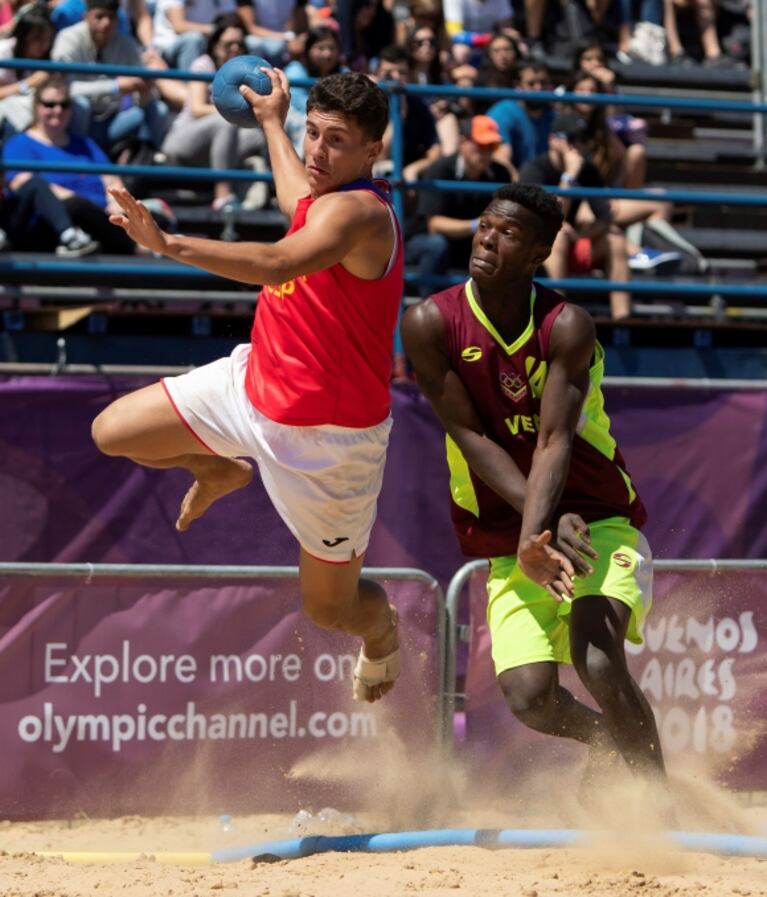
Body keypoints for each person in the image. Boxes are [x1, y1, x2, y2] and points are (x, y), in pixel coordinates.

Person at [91, 71, 404, 704]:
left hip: (330, 444)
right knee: (112, 431)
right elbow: (299, 200)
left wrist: (168, 242)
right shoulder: (325, 193)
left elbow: (277, 262)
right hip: (253, 381)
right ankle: (220, 470)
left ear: (373, 150)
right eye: (312, 132)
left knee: (331, 610)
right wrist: (271, 121)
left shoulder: (364, 213)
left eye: (336, 141)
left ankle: (384, 634)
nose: (316, 151)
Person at [401, 181, 668, 802]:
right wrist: (531, 534)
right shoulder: (429, 322)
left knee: (599, 661)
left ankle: (662, 809)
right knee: (531, 699)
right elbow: (470, 435)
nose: (489, 239)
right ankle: (610, 742)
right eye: (487, 226)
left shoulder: (566, 324)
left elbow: (555, 440)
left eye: (510, 233)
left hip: (597, 518)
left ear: (540, 252)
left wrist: (540, 531)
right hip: (513, 533)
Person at [518, 111, 632, 319]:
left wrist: (581, 236)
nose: (578, 145)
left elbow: (605, 218)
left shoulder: (587, 170)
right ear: (553, 140)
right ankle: (557, 320)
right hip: (537, 247)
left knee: (615, 239)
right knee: (557, 237)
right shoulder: (534, 169)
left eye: (582, 140)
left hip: (570, 243)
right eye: (571, 139)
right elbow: (546, 220)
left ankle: (622, 321)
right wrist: (569, 176)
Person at [3, 75, 135, 253]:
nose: (57, 110)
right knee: (76, 206)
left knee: (145, 213)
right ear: (36, 107)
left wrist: (115, 203)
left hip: (102, 216)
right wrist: (80, 202)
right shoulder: (20, 143)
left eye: (64, 105)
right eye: (49, 104)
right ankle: (136, 247)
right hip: (57, 218)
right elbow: (22, 184)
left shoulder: (84, 144)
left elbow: (110, 178)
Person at [160, 13, 268, 211]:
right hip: (183, 141)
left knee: (262, 133)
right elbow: (197, 109)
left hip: (219, 145)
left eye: (239, 44)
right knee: (225, 122)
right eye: (228, 44)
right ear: (215, 45)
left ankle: (269, 192)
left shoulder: (247, 73)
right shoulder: (203, 65)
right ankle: (223, 196)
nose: (235, 49)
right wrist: (233, 112)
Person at [405, 114, 511, 297]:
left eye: (491, 147)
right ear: (462, 143)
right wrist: (478, 225)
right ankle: (430, 310)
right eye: (481, 145)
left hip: (469, 244)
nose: (486, 153)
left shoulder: (501, 174)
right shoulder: (440, 169)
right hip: (425, 242)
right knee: (436, 245)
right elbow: (434, 225)